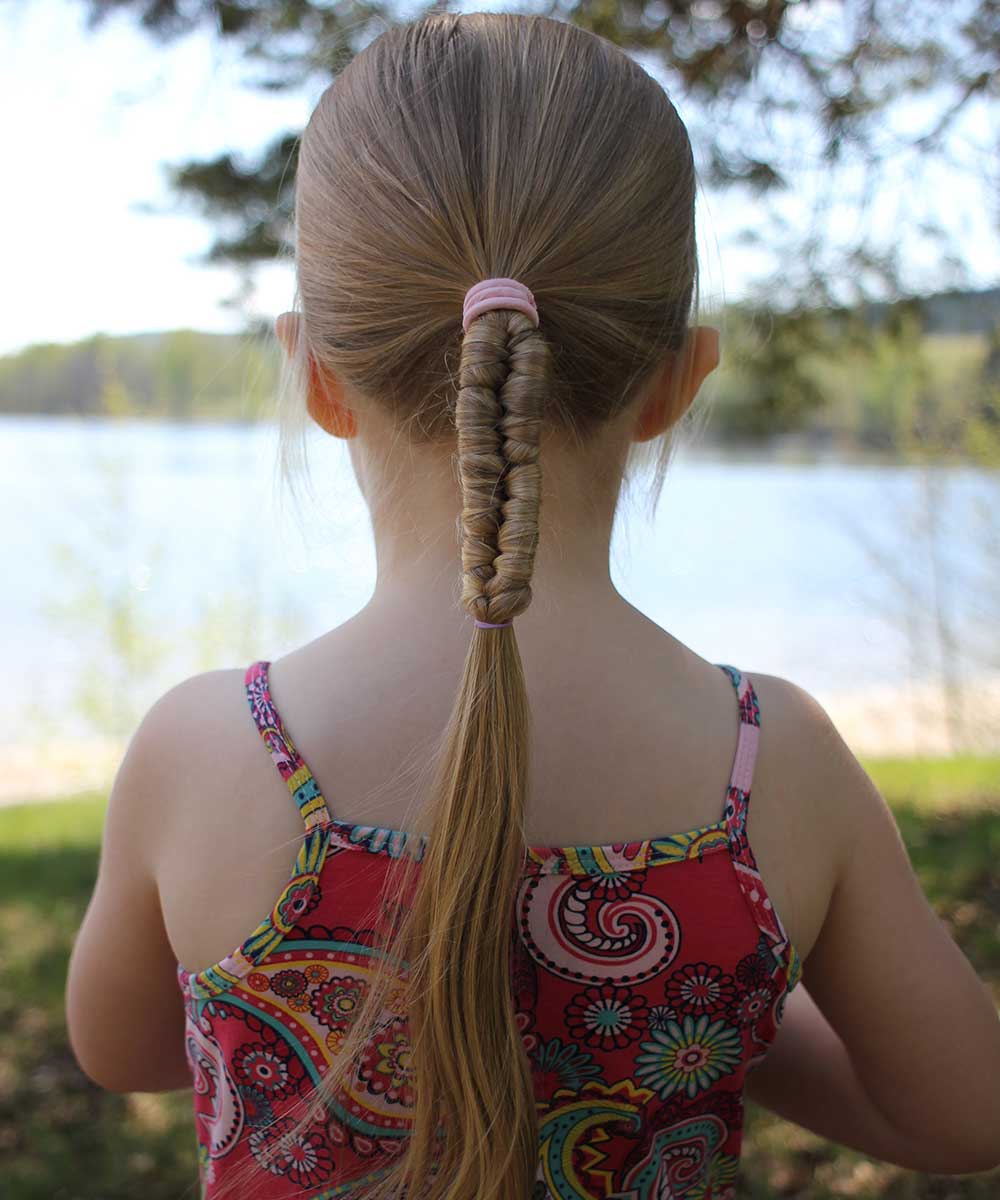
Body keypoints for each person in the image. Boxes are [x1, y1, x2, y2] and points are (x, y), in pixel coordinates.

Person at [65, 11, 1000, 1200]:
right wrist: (732, 1015)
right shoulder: (774, 764)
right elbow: (964, 1114)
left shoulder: (205, 747)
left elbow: (125, 1048)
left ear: (314, 376)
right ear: (675, 381)